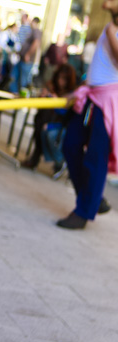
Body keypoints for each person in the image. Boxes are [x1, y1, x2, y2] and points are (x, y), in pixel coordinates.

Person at [57, 0, 118, 229]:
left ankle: (83, 212)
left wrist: (111, 32)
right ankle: (92, 199)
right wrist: (79, 89)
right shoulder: (109, 26)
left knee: (96, 156)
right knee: (71, 144)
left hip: (109, 100)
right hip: (92, 95)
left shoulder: (111, 29)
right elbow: (100, 65)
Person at [21, 63, 77, 170]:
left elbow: (66, 115)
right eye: (60, 77)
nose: (60, 81)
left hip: (60, 125)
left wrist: (55, 102)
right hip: (46, 121)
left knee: (43, 123)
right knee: (40, 118)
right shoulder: (52, 87)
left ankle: (39, 156)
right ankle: (36, 155)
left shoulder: (71, 94)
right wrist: (44, 96)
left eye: (64, 79)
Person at [18, 16, 41, 90]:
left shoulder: (36, 31)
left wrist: (28, 54)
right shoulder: (31, 31)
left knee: (24, 80)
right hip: (23, 58)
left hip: (28, 60)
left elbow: (36, 43)